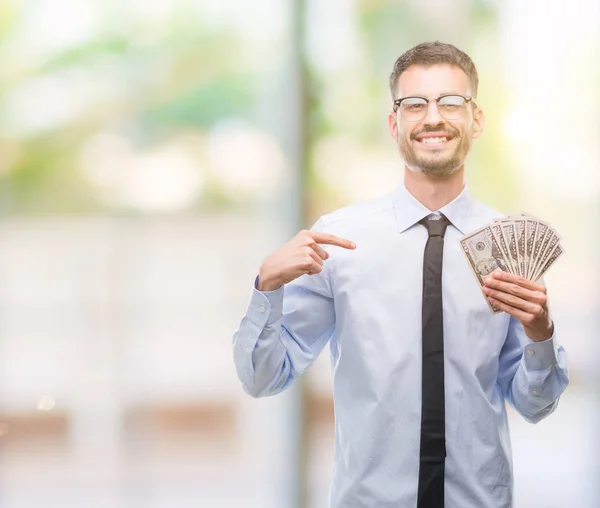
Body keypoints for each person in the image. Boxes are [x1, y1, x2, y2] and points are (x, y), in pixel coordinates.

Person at [232, 41, 569, 508]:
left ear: (476, 119)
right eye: (415, 104)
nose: (433, 118)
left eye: (451, 102)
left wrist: (540, 334)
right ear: (395, 123)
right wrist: (266, 287)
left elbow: (535, 405)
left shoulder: (508, 248)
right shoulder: (338, 242)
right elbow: (263, 378)